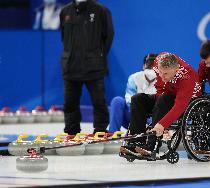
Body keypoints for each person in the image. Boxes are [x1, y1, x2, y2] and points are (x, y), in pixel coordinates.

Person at [120, 52, 202, 156]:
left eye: (166, 74)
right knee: (137, 98)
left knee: (164, 98)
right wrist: (157, 109)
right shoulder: (158, 60)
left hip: (188, 102)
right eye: (160, 72)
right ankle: (136, 141)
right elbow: (160, 87)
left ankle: (151, 145)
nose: (162, 76)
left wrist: (162, 124)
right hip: (168, 96)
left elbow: (180, 106)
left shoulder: (187, 77)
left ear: (176, 70)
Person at [59, 0, 114, 135]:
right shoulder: (65, 11)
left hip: (94, 67)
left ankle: (100, 130)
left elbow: (109, 36)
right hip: (70, 66)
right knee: (69, 103)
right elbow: (63, 36)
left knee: (99, 102)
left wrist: (97, 55)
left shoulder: (101, 10)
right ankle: (71, 132)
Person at [108, 54, 158, 133]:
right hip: (134, 115)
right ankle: (112, 134)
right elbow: (129, 100)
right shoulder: (134, 77)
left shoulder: (164, 79)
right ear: (144, 65)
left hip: (155, 120)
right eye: (149, 64)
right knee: (117, 100)